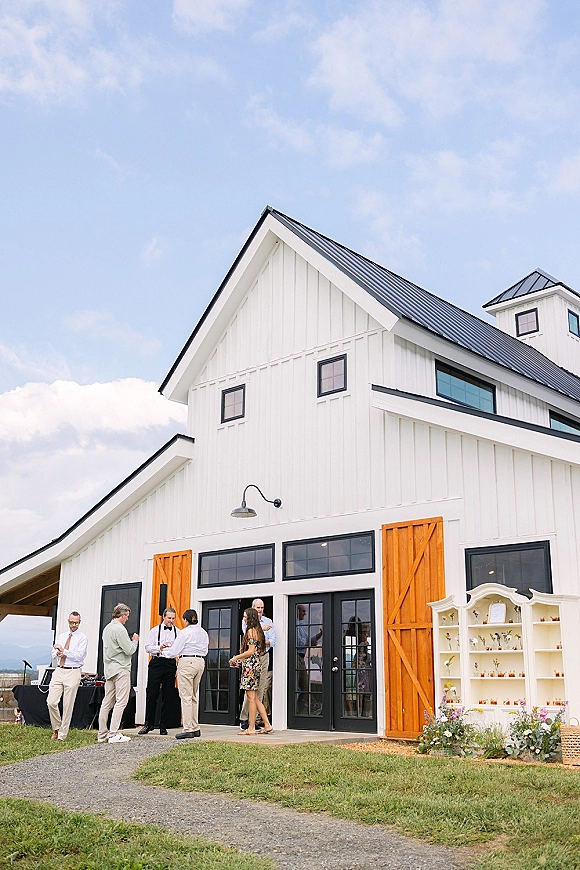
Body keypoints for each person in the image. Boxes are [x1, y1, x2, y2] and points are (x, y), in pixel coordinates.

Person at [97, 603, 139, 744]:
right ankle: (113, 733)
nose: (127, 619)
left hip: (109, 670)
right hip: (121, 669)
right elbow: (129, 650)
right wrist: (135, 641)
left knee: (107, 702)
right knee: (121, 701)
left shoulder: (107, 629)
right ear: (122, 615)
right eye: (127, 616)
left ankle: (102, 734)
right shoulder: (120, 630)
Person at [230, 607, 273, 735]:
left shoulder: (250, 631)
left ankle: (251, 728)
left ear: (250, 618)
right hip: (255, 664)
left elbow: (251, 651)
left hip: (251, 666)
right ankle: (267, 725)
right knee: (255, 698)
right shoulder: (258, 631)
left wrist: (236, 657)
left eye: (245, 616)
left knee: (251, 698)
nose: (243, 618)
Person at [47, 611, 88, 740]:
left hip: (73, 671)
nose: (73, 625)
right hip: (59, 669)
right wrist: (58, 653)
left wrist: (64, 651)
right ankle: (56, 727)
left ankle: (62, 735)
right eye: (72, 622)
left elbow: (79, 656)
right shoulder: (62, 636)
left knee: (67, 704)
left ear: (79, 622)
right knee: (51, 702)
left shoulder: (82, 638)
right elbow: (54, 651)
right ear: (68, 621)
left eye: (76, 622)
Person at [139, 607, 180, 735]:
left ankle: (163, 725)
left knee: (167, 695)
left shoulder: (178, 632)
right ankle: (148, 724)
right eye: (169, 618)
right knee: (152, 694)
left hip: (170, 663)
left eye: (173, 618)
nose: (171, 621)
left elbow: (181, 649)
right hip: (157, 662)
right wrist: (159, 647)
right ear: (164, 617)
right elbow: (147, 647)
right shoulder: (154, 631)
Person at [170, 608, 209, 740]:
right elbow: (205, 649)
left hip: (187, 662)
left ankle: (188, 728)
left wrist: (163, 651)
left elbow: (174, 651)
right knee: (192, 695)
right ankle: (195, 726)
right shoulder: (203, 632)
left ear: (185, 620)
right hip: (200, 662)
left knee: (185, 696)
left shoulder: (184, 632)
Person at [239, 598, 276, 731]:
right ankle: (246, 719)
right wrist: (262, 634)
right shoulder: (247, 623)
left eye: (262, 608)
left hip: (262, 658)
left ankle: (257, 723)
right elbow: (252, 638)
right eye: (258, 608)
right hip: (252, 659)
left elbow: (272, 641)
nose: (260, 610)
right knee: (250, 693)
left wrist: (235, 658)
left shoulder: (268, 622)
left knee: (259, 690)